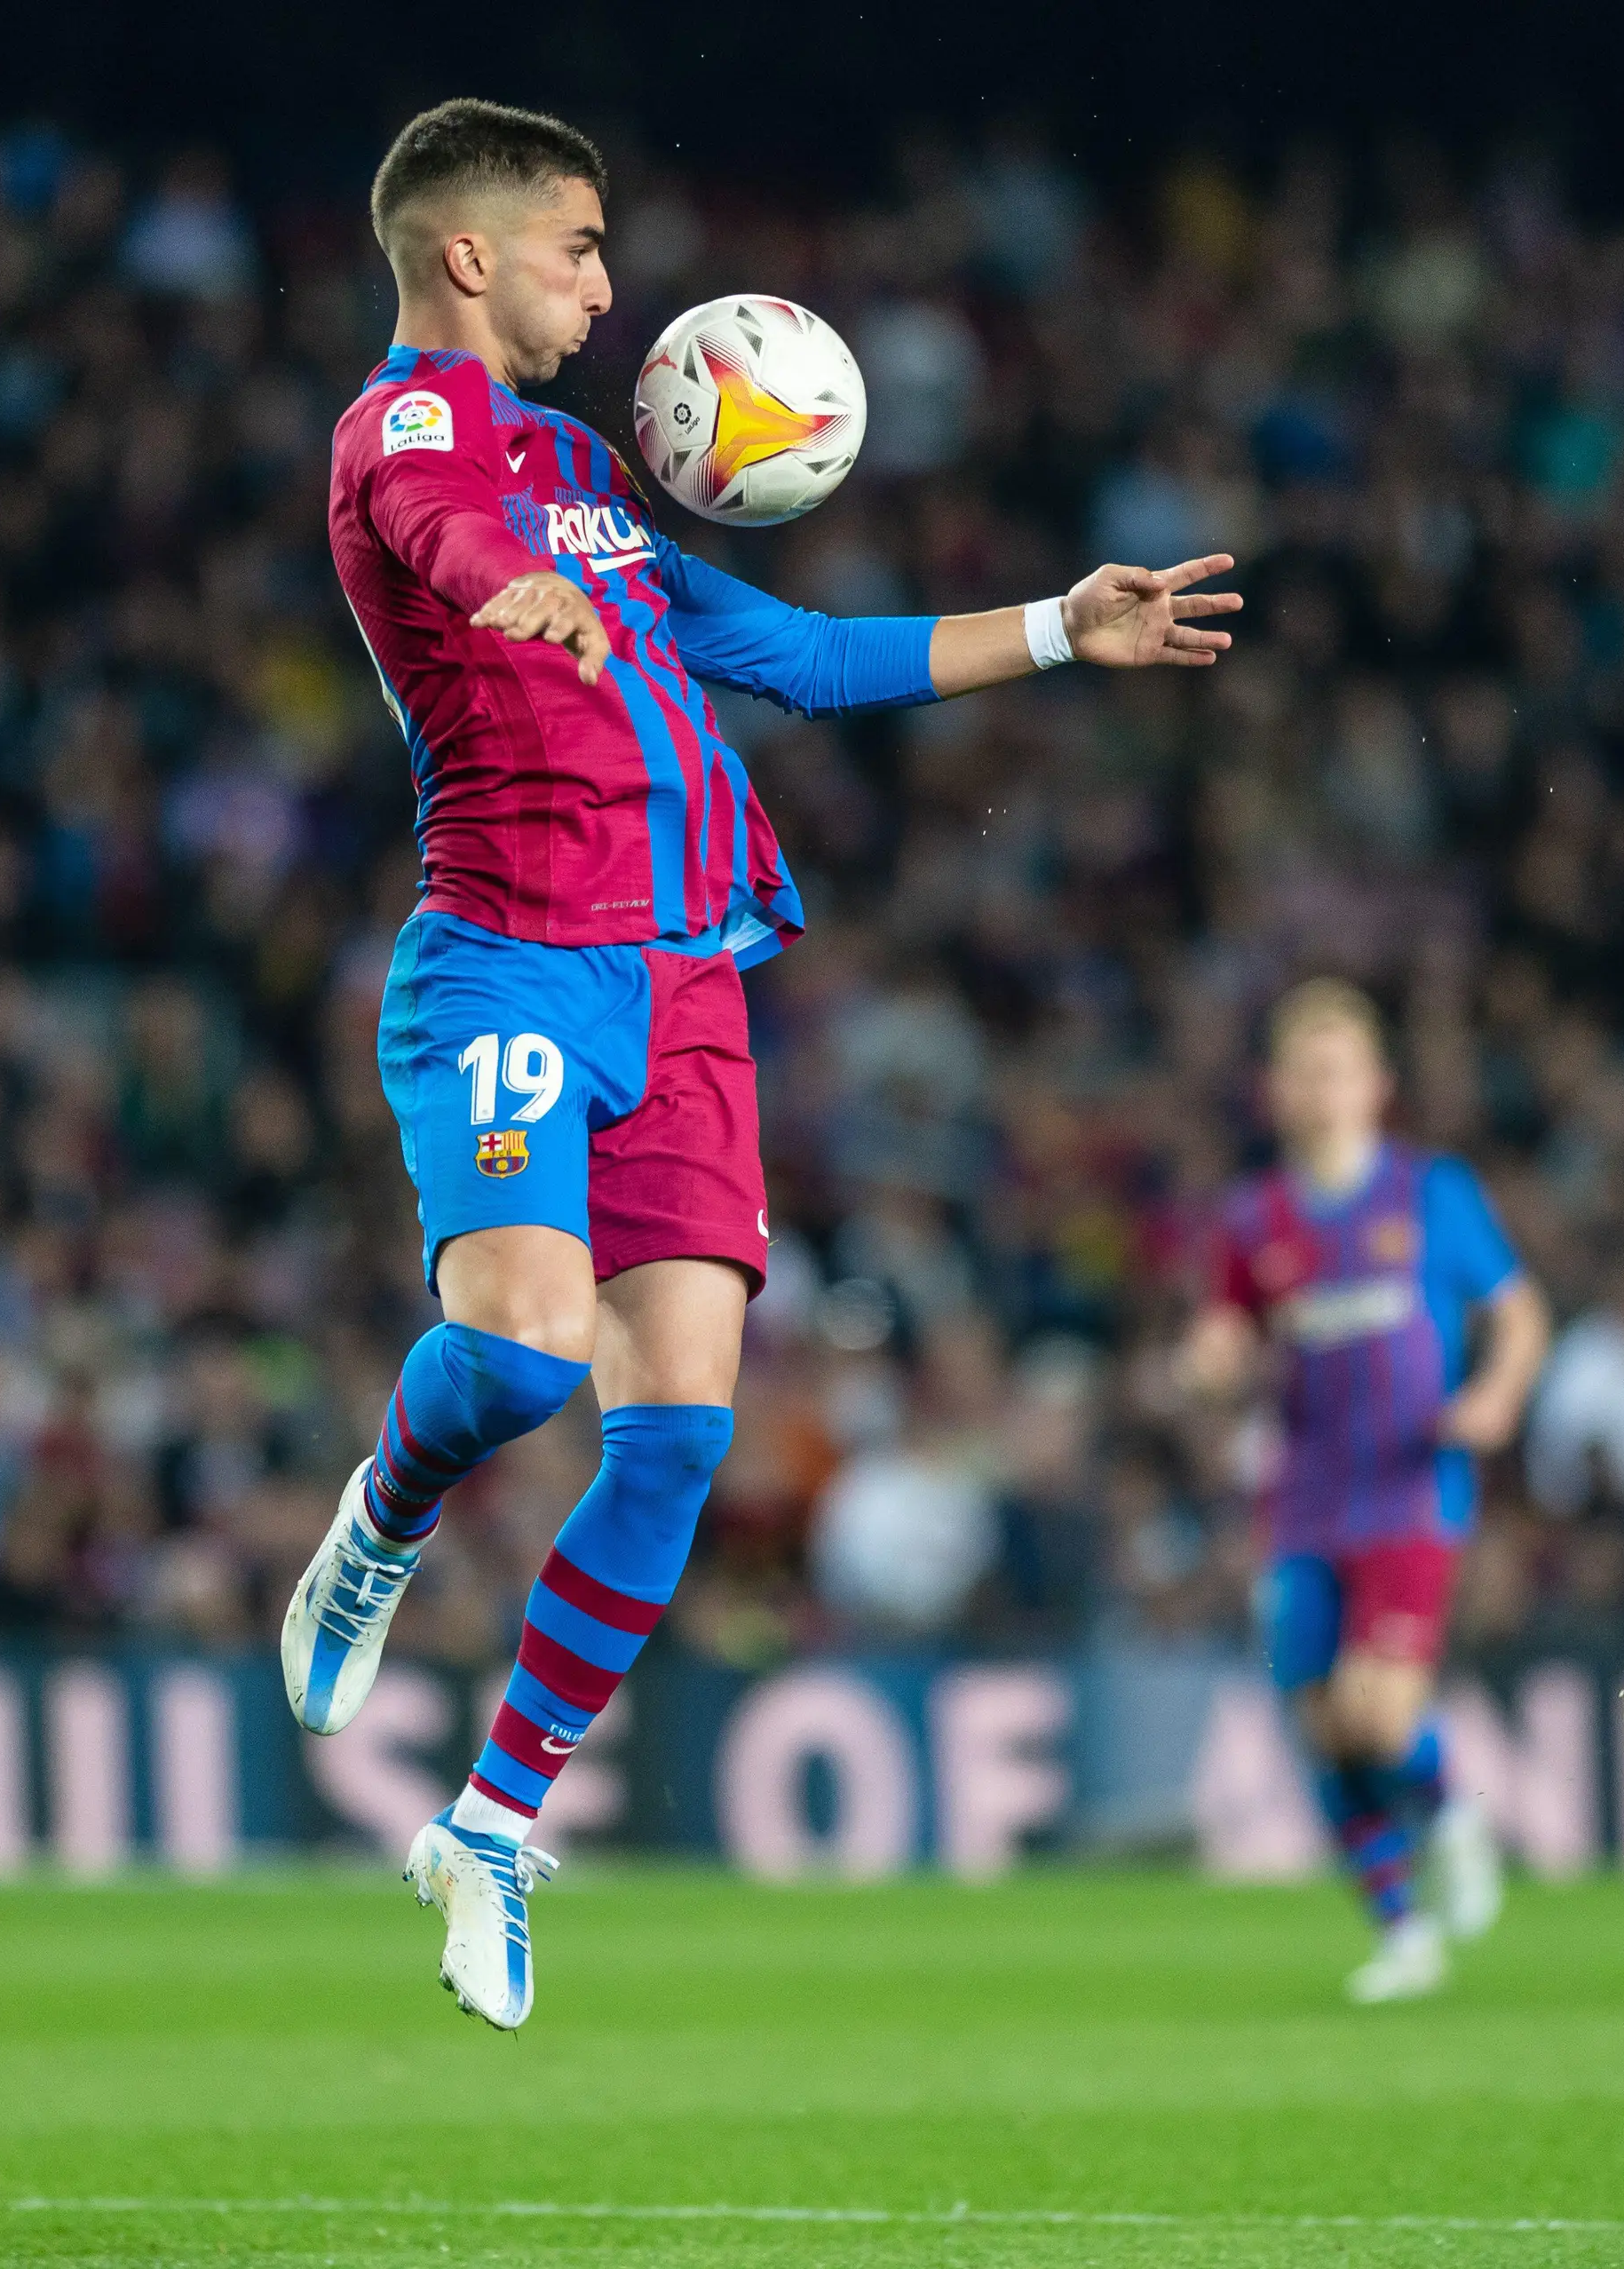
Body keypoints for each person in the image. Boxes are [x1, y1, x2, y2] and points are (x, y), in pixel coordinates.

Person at [284, 98, 1242, 2029]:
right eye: (578, 245)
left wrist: (1068, 625)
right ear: (469, 255)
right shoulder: (414, 431)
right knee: (518, 1354)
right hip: (516, 967)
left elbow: (797, 658)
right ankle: (382, 1518)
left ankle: (486, 1822)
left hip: (690, 979)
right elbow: (428, 523)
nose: (610, 283)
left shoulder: (585, 467)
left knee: (683, 1432)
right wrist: (499, 583)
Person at [1179, 979, 1548, 2003]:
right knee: (1322, 1724)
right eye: (1305, 1071)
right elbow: (1223, 1328)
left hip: (1408, 1485)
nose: (1323, 1088)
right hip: (1301, 1495)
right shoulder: (1254, 1216)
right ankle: (1403, 1933)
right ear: (1275, 1091)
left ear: (1378, 1085)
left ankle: (1455, 1814)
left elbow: (1519, 1314)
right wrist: (1206, 1360)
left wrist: (1496, 1393)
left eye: (1340, 1068)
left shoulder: (1432, 1192)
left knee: (1378, 1712)